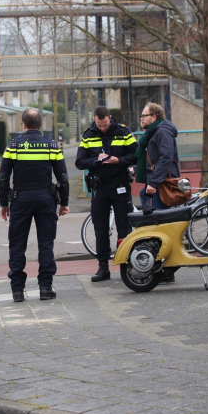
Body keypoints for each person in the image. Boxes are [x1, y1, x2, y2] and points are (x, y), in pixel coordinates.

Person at [0, 108, 70, 303]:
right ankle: (45, 288)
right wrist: (64, 202)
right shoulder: (52, 146)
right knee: (46, 244)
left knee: (17, 244)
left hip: (20, 199)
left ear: (24, 125)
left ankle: (18, 291)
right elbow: (62, 176)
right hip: (46, 198)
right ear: (40, 125)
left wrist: (4, 203)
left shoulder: (14, 146)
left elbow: (4, 177)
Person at [75, 106, 138, 283]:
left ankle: (127, 265)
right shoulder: (88, 135)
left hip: (120, 185)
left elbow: (137, 155)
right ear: (94, 119)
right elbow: (80, 162)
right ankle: (103, 267)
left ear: (110, 118)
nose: (102, 128)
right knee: (100, 228)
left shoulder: (123, 132)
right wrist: (96, 160)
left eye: (105, 124)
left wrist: (119, 160)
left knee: (124, 227)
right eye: (99, 124)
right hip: (100, 187)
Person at [135, 103, 180, 211]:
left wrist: (153, 183)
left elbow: (166, 158)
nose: (141, 119)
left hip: (162, 183)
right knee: (143, 194)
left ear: (154, 117)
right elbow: (154, 158)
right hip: (157, 181)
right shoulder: (154, 132)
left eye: (144, 116)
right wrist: (135, 169)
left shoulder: (162, 131)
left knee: (160, 220)